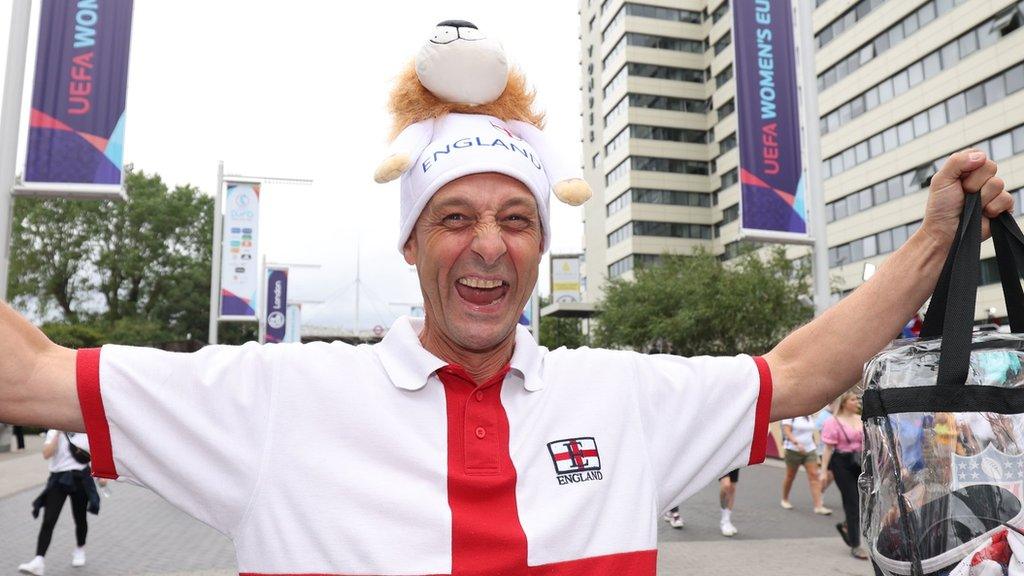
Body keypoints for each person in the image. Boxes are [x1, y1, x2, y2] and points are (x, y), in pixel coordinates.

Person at [0, 21, 1014, 574]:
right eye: (452, 217)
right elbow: (32, 375)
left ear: (537, 247)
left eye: (516, 219)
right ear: (410, 242)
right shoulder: (274, 394)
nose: (487, 244)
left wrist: (932, 239)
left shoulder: (621, 393)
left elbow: (801, 373)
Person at [18, 430, 100, 575]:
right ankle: (38, 561)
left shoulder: (81, 432)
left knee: (80, 518)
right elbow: (46, 454)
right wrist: (58, 435)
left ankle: (80, 549)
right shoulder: (53, 432)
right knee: (49, 520)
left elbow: (93, 453)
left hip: (80, 478)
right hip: (58, 479)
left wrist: (101, 476)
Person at [821, 392, 867, 559]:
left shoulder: (861, 418)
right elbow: (828, 449)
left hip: (860, 462)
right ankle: (856, 545)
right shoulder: (833, 422)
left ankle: (846, 525)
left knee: (864, 502)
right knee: (852, 502)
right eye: (853, 399)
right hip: (841, 464)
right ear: (844, 403)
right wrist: (823, 471)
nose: (857, 402)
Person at [780, 415, 831, 515]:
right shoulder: (791, 415)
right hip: (793, 450)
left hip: (809, 449)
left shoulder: (810, 416)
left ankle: (818, 506)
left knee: (814, 476)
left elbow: (811, 433)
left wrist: (814, 444)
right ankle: (785, 499)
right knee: (790, 476)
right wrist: (796, 443)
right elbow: (787, 431)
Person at [718, 470, 740, 537]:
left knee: (732, 488)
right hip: (721, 461)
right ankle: (724, 520)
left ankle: (726, 520)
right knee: (726, 486)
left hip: (734, 461)